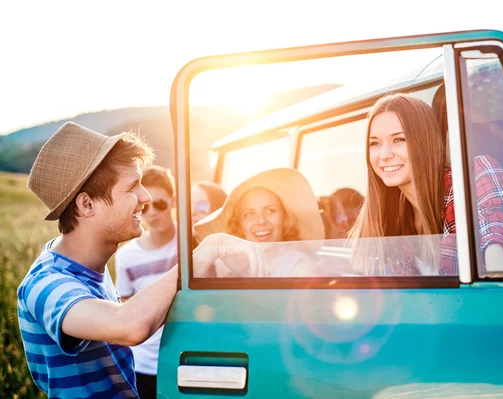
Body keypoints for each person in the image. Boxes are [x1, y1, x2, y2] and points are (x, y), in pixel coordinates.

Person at [17, 122, 261, 398]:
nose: (145, 197)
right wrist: (201, 255)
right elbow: (129, 326)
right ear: (86, 205)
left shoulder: (91, 267)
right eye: (132, 187)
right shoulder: (46, 283)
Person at [348, 94, 503, 276]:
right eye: (375, 143)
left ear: (425, 141)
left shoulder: (474, 177)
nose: (384, 154)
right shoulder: (395, 219)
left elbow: (501, 275)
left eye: (398, 139)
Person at [115, 165, 177, 399]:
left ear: (173, 201)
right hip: (142, 365)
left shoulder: (192, 242)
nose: (152, 213)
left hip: (183, 356)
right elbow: (126, 310)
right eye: (145, 206)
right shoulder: (126, 256)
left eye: (160, 204)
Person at [193, 168, 325, 277]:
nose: (261, 221)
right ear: (239, 224)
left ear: (284, 218)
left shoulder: (302, 269)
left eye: (270, 211)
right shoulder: (228, 267)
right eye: (249, 214)